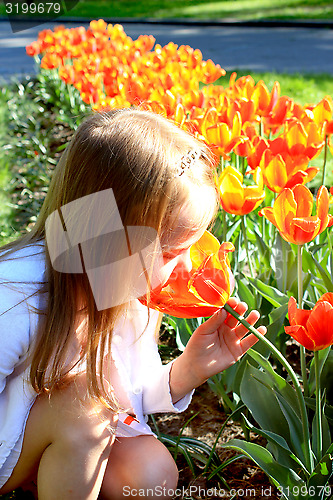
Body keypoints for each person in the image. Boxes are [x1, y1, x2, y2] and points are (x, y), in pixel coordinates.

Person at [0, 108, 266, 500]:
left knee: (150, 473)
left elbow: (122, 393)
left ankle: (58, 469)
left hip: (50, 433)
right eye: (174, 251)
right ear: (111, 239)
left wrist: (186, 371)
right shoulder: (17, 298)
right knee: (83, 414)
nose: (188, 265)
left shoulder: (125, 288)